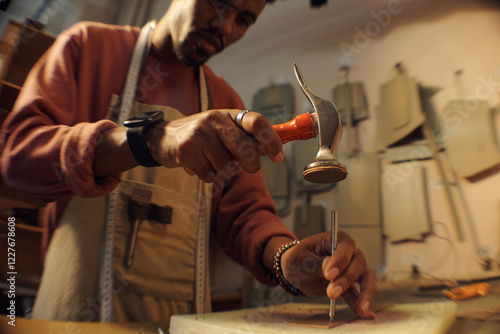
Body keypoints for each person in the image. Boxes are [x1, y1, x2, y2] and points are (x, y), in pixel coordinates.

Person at [0, 0, 376, 325]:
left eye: (244, 19)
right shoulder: (87, 47)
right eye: (220, 2)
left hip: (180, 322)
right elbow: (17, 159)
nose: (225, 26)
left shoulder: (226, 98)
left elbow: (247, 216)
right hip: (69, 320)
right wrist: (150, 140)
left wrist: (288, 257)